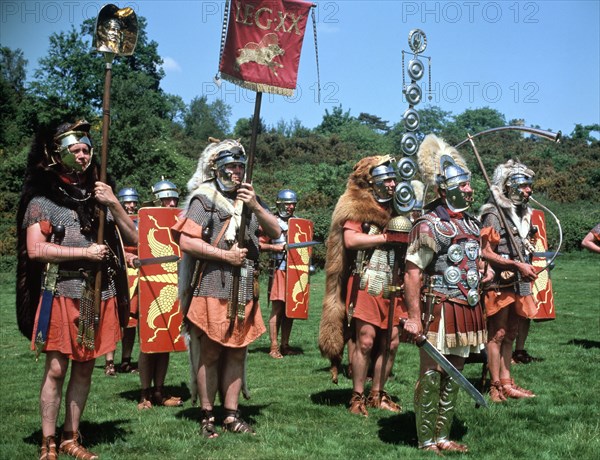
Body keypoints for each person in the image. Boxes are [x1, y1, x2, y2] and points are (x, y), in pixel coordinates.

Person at [16, 120, 137, 460]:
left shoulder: (100, 197)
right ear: (57, 156)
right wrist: (83, 253)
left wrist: (112, 203)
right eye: (76, 150)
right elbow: (37, 250)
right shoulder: (42, 201)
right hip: (61, 291)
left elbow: (136, 240)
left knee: (85, 367)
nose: (83, 155)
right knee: (56, 368)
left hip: (100, 293)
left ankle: (71, 436)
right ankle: (48, 441)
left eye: (87, 149)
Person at [173, 139, 280, 437]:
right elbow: (187, 241)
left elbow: (275, 231)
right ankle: (207, 413)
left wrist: (256, 204)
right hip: (212, 282)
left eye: (240, 166)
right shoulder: (205, 198)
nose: (237, 171)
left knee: (237, 351)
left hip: (244, 285)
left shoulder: (250, 197)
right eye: (231, 166)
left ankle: (231, 414)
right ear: (218, 168)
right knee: (210, 352)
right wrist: (224, 255)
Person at [402, 135, 488, 453]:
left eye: (468, 184)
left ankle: (443, 436)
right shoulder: (429, 225)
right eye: (463, 185)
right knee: (433, 373)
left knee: (455, 372)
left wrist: (485, 273)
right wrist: (413, 317)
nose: (469, 190)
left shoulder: (472, 223)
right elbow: (412, 272)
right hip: (438, 306)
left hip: (467, 306)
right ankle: (426, 441)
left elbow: (472, 262)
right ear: (444, 188)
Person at [319, 155, 404, 416]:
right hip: (366, 280)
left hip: (394, 281)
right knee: (365, 341)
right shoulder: (356, 205)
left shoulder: (400, 207)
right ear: (372, 182)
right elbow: (351, 241)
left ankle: (378, 394)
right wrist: (385, 237)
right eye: (386, 180)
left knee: (390, 342)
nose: (392, 184)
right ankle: (357, 397)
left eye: (393, 179)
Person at [479, 160, 539, 400]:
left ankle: (507, 381)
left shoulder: (523, 213)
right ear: (511, 187)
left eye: (529, 186)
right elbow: (485, 252)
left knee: (512, 333)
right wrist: (515, 264)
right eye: (524, 186)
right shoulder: (494, 213)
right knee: (498, 333)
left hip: (518, 281)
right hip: (500, 281)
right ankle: (495, 385)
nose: (529, 191)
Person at [136, 179, 182, 409]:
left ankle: (159, 391)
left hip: (172, 284)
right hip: (146, 284)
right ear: (156, 200)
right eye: (167, 199)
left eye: (174, 198)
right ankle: (144, 393)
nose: (172, 202)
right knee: (148, 340)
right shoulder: (140, 222)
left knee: (166, 339)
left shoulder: (179, 222)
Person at [260, 189, 301, 358]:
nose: (291, 207)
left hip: (295, 271)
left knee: (291, 309)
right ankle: (274, 347)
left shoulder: (298, 223)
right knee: (277, 308)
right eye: (288, 204)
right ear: (280, 204)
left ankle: (285, 344)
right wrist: (274, 247)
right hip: (279, 269)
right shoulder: (271, 222)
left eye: (293, 204)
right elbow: (259, 245)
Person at [104, 187, 140, 376]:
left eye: (134, 202)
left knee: (131, 321)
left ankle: (126, 361)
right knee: (113, 320)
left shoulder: (142, 220)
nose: (132, 205)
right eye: (128, 202)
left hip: (138, 276)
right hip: (119, 274)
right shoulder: (112, 221)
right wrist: (127, 258)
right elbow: (111, 246)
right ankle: (109, 362)